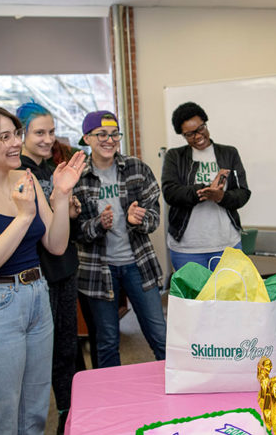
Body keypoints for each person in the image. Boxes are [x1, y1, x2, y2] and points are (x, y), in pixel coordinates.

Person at [0, 105, 85, 435]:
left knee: (35, 412)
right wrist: (23, 218)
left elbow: (56, 244)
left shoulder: (26, 178)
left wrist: (61, 196)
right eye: (4, 137)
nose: (15, 143)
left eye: (16, 134)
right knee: (1, 419)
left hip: (37, 295)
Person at [74, 110, 166, 368]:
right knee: (107, 341)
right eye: (101, 134)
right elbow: (73, 231)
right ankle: (109, 402)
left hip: (138, 265)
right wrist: (98, 225)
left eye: (114, 134)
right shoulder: (77, 177)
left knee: (160, 335)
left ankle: (176, 390)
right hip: (97, 270)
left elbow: (154, 217)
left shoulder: (137, 169)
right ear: (87, 138)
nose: (109, 140)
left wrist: (140, 219)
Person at [15, 102, 80, 434]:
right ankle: (61, 420)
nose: (47, 139)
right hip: (44, 273)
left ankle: (71, 417)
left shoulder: (47, 167)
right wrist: (60, 207)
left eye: (51, 132)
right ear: (21, 134)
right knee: (52, 354)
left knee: (68, 350)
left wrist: (68, 208)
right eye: (39, 132)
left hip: (64, 268)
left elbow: (59, 222)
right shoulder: (20, 173)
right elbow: (37, 230)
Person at [162, 101, 251, 271]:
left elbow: (243, 193)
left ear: (205, 123)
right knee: (195, 298)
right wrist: (203, 191)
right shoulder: (175, 156)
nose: (197, 136)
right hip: (186, 248)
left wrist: (221, 197)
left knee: (228, 297)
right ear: (182, 135)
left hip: (227, 245)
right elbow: (170, 192)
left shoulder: (229, 153)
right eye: (189, 134)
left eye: (200, 129)